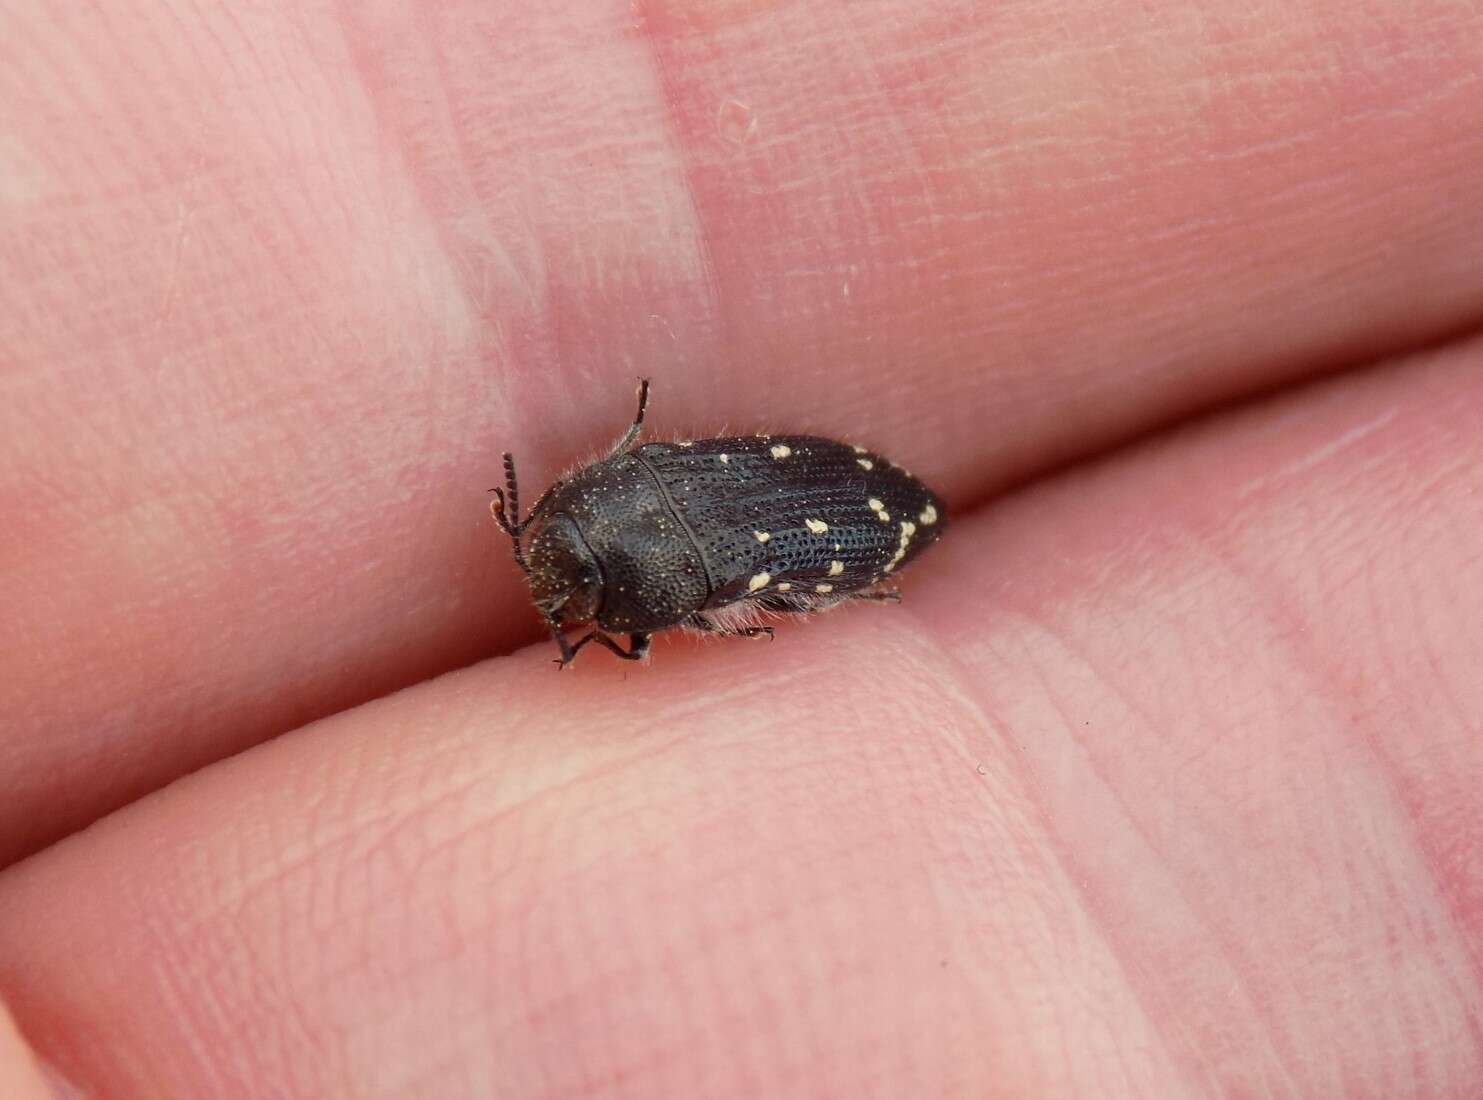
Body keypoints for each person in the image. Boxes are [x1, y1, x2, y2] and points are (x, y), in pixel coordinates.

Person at [1, 3, 1480, 1095]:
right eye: (557, 578)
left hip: (833, 516)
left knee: (803, 541)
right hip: (804, 513)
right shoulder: (627, 541)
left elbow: (668, 571)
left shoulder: (651, 560)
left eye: (562, 581)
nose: (547, 587)